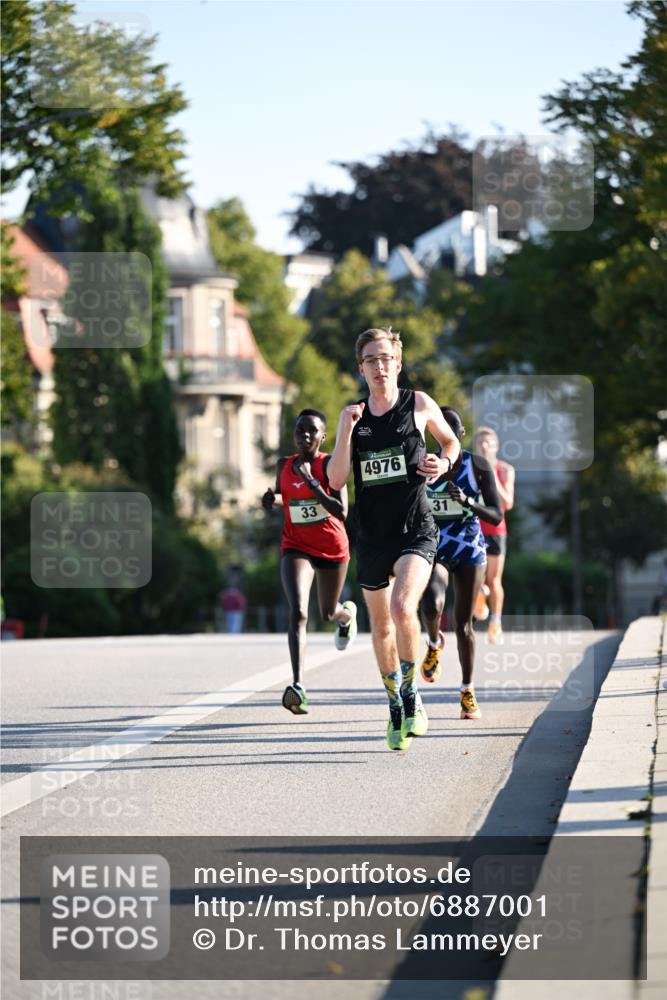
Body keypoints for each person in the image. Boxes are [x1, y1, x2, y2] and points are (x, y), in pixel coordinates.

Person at [327, 328, 460, 751]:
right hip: (371, 534)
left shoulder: (418, 404)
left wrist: (443, 463)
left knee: (404, 607)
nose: (379, 366)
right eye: (371, 360)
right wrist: (347, 431)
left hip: (416, 528)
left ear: (398, 364)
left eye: (386, 358)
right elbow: (334, 479)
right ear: (361, 368)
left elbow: (452, 441)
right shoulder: (352, 416)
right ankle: (395, 704)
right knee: (381, 625)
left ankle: (411, 693)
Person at [262, 408, 357, 715]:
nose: (304, 436)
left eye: (311, 431)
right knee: (299, 611)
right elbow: (283, 495)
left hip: (331, 548)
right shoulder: (284, 465)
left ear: (322, 436)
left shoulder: (330, 464)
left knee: (328, 612)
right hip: (296, 546)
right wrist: (270, 500)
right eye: (300, 430)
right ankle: (298, 685)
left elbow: (341, 511)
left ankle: (346, 618)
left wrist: (314, 484)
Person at [419, 408, 502, 720]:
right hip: (436, 546)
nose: (446, 436)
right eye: (440, 430)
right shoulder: (425, 464)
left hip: (469, 549)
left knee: (464, 624)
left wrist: (467, 502)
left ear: (460, 434)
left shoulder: (476, 465)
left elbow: (496, 514)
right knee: (431, 602)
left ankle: (467, 690)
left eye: (452, 430)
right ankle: (433, 641)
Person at [473, 427, 515, 643]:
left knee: (494, 579)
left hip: (496, 530)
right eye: (480, 443)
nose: (484, 447)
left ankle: (495, 622)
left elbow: (507, 502)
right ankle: (480, 594)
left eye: (488, 443)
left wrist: (491, 475)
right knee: (475, 577)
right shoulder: (470, 468)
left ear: (496, 446)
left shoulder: (506, 470)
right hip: (473, 529)